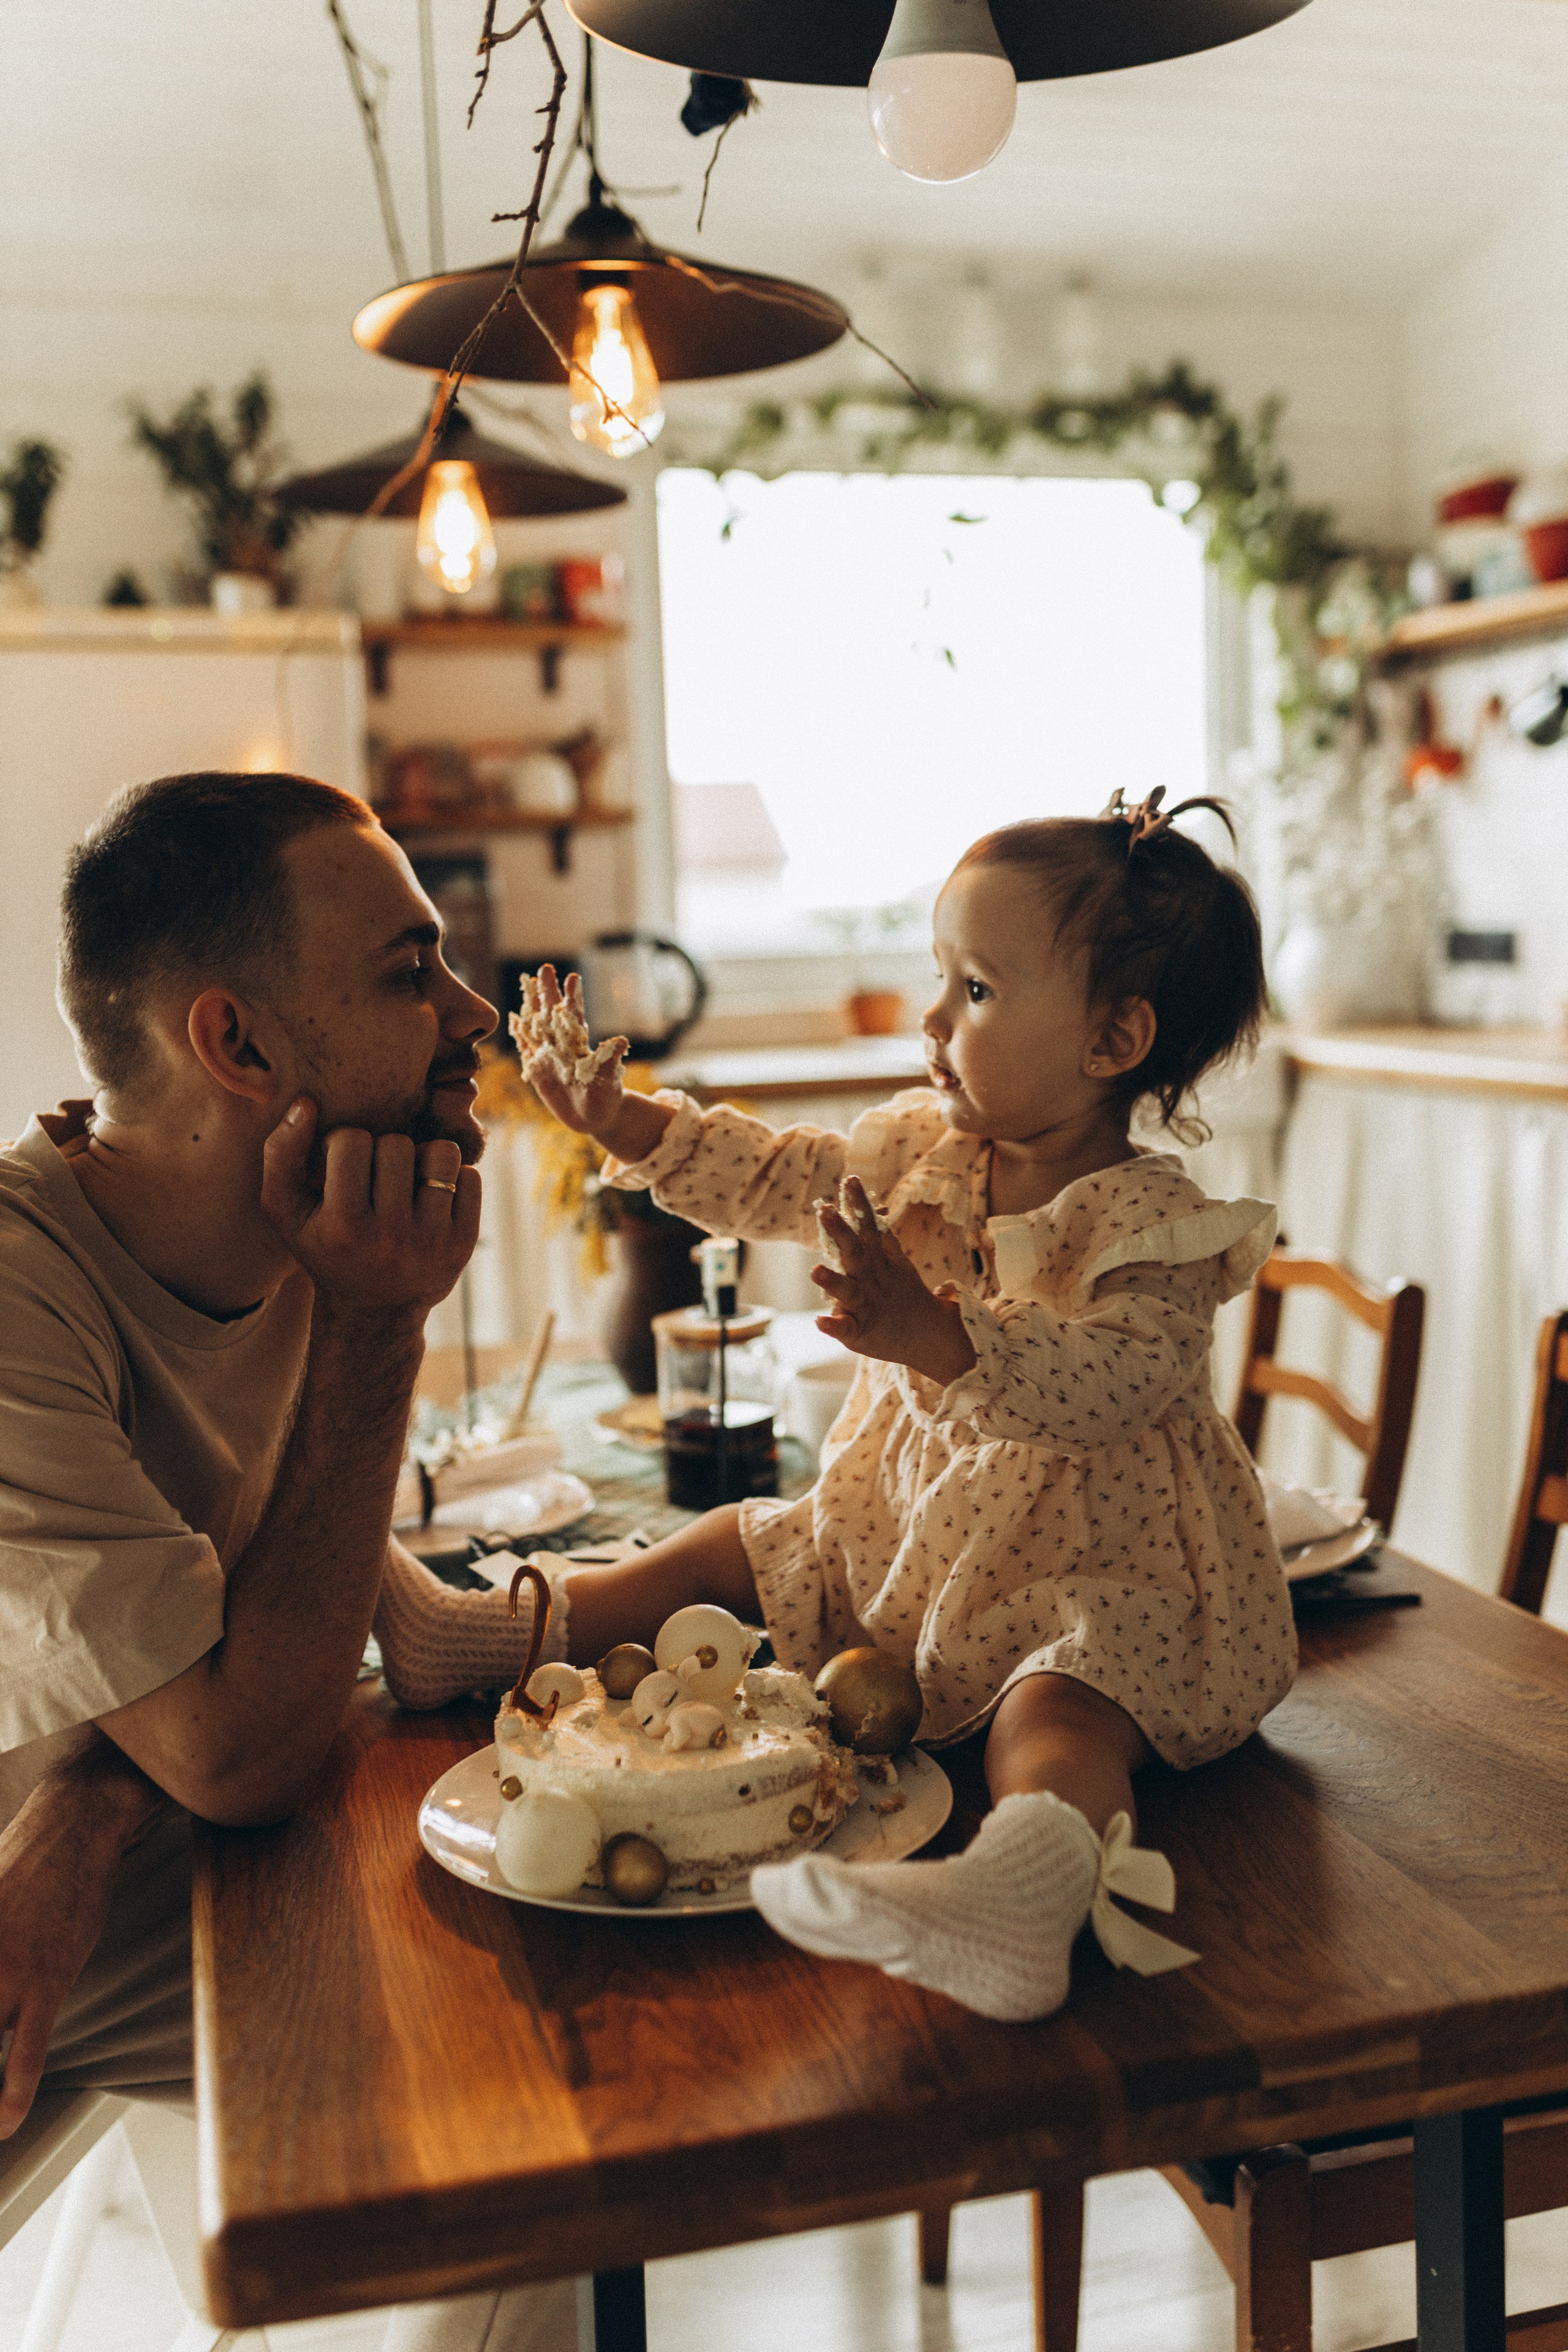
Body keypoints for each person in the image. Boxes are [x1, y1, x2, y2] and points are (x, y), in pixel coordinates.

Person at [513, 791, 1297, 2023]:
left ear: (1112, 1039)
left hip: (1098, 1571)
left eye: (974, 990)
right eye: (938, 977)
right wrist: (626, 1120)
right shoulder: (916, 1154)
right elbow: (772, 1178)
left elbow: (1113, 1384)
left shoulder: (1147, 1223)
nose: (931, 1020)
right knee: (742, 1542)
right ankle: (507, 1628)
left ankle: (1021, 1896)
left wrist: (937, 1338)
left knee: (1059, 1712)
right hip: (916, 1539)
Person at [0, 771, 575, 2348]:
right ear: (235, 1045)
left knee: (554, 2091)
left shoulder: (296, 1225)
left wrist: (93, 1802)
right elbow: (246, 1744)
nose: (474, 1014)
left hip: (144, 1898)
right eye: (409, 970)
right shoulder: (16, 1293)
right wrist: (386, 1321)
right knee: (541, 2114)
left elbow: (295, 1647)